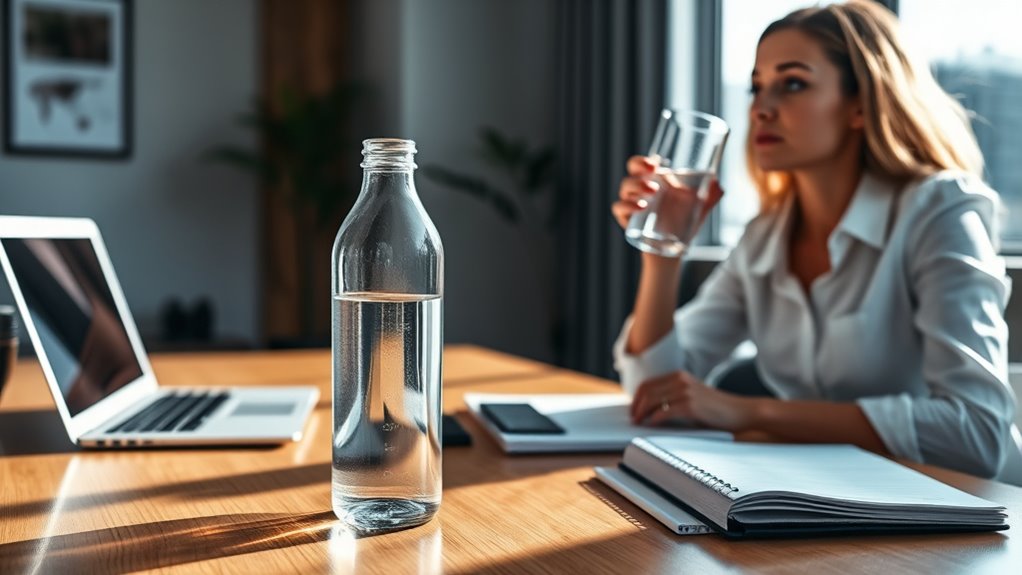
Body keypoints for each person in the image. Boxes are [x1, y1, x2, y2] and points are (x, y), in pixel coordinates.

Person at [611, 0, 1015, 478]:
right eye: (757, 87)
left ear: (861, 105)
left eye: (793, 84)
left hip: (954, 504)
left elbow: (976, 434)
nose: (760, 109)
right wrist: (664, 250)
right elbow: (654, 391)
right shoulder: (766, 235)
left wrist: (751, 412)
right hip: (821, 495)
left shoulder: (938, 209)